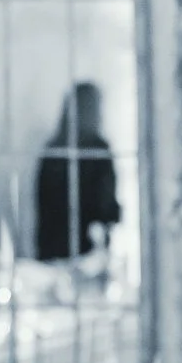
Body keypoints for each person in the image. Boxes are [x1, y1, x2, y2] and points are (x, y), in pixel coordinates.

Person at [32, 82, 121, 263]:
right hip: (88, 256)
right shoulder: (98, 149)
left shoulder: (52, 150)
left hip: (52, 254)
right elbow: (106, 207)